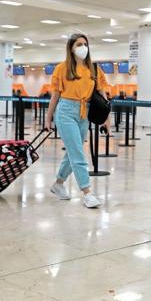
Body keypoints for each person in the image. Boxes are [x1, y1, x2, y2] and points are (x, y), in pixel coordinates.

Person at [45, 34, 111, 208]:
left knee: (74, 151)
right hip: (65, 112)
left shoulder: (94, 69)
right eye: (79, 44)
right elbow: (55, 96)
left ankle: (58, 183)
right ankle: (87, 192)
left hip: (85, 112)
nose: (83, 47)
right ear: (71, 48)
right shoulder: (62, 69)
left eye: (86, 44)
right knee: (78, 153)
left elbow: (102, 93)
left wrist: (106, 117)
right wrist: (48, 118)